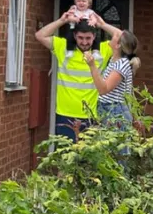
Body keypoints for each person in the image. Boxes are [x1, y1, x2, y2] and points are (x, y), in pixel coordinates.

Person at [35, 10, 120, 142]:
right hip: (65, 114)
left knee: (87, 160)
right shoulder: (63, 47)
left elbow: (121, 37)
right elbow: (40, 35)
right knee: (65, 159)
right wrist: (62, 21)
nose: (84, 42)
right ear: (74, 36)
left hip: (91, 115)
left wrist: (102, 24)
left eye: (88, 38)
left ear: (94, 36)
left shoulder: (101, 50)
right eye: (80, 38)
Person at [84, 28, 140, 132]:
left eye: (116, 36)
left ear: (118, 45)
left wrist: (92, 65)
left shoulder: (122, 63)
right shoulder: (114, 60)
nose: (113, 34)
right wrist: (100, 23)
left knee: (117, 147)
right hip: (108, 109)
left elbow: (103, 89)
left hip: (116, 111)